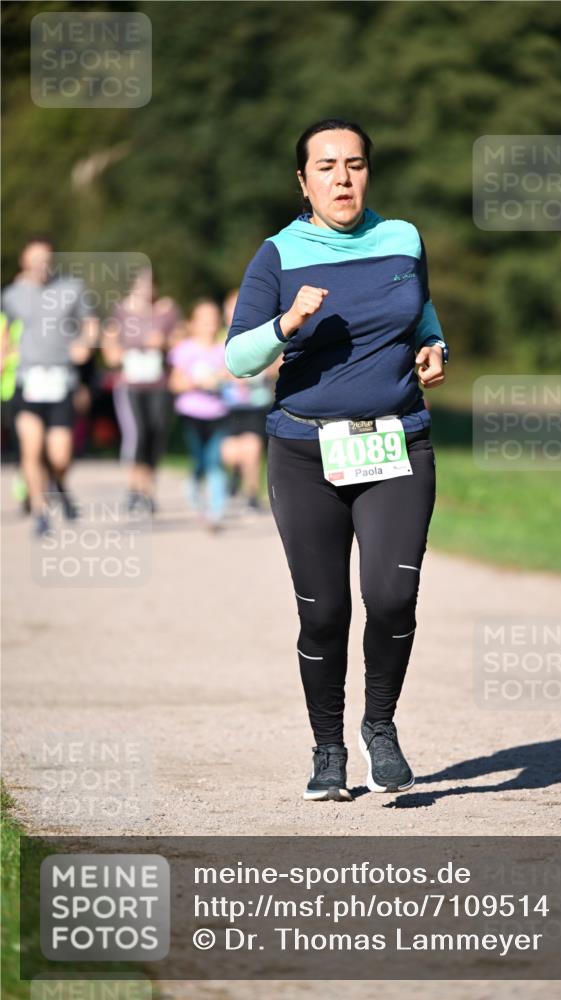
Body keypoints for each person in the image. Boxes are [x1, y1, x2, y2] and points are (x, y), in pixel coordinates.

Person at [225, 119, 448, 801]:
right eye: (325, 167)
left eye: (353, 165)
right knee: (323, 613)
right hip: (304, 453)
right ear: (302, 180)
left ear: (367, 173)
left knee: (391, 596)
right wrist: (286, 324)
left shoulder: (401, 238)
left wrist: (436, 345)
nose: (341, 179)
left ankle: (377, 726)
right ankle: (327, 750)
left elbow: (419, 310)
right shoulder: (277, 255)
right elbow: (237, 359)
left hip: (395, 440)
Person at [1, 237, 98, 535]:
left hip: (61, 380)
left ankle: (59, 482)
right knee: (31, 450)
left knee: (60, 454)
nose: (39, 265)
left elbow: (91, 324)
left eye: (45, 258)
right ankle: (41, 514)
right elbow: (4, 332)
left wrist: (86, 344)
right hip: (27, 380)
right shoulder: (13, 294)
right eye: (33, 260)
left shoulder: (72, 289)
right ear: (23, 262)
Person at [102, 266, 182, 513]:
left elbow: (181, 341)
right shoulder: (120, 311)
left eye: (151, 283)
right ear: (133, 285)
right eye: (142, 284)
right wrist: (131, 349)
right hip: (130, 385)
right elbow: (109, 352)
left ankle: (148, 491)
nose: (147, 289)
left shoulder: (167, 311)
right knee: (137, 434)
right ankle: (134, 488)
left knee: (155, 435)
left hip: (158, 384)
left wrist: (164, 342)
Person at [168, 300, 229, 530]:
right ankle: (193, 489)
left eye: (213, 319)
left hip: (219, 413)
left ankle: (215, 512)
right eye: (204, 320)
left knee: (215, 460)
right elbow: (175, 383)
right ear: (192, 323)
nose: (209, 324)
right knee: (200, 460)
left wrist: (222, 379)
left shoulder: (224, 348)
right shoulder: (185, 350)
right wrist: (197, 382)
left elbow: (237, 377)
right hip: (191, 414)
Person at [219, 288, 279, 513]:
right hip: (227, 406)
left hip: (256, 402)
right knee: (231, 452)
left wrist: (258, 370)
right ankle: (233, 475)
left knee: (252, 449)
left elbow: (277, 364)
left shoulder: (260, 335)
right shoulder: (218, 336)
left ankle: (252, 494)